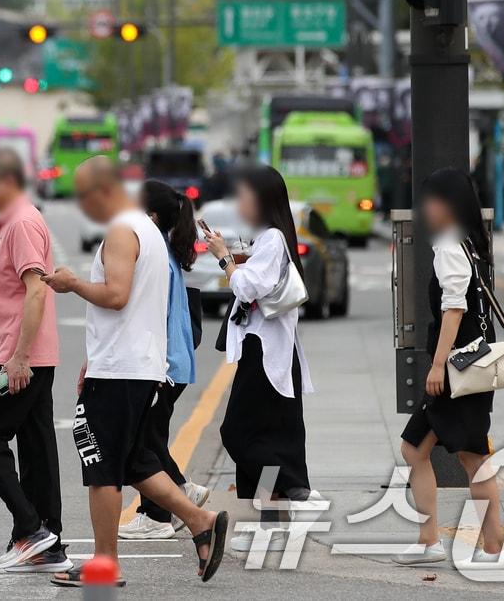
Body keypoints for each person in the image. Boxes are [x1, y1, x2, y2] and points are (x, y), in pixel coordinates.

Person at [42, 157, 229, 588]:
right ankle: (199, 520)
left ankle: (105, 566)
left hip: (122, 371)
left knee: (101, 466)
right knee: (136, 463)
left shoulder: (123, 230)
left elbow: (116, 295)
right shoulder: (146, 230)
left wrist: (72, 284)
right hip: (134, 366)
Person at [392, 167, 504, 569]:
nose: (426, 209)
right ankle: (429, 542)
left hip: (459, 368)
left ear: (450, 205)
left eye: (432, 201)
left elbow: (454, 308)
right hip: (469, 365)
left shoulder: (449, 245)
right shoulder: (472, 243)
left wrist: (438, 364)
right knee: (415, 448)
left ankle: (493, 548)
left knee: (473, 457)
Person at [203, 165, 318, 552]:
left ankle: (294, 486)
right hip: (269, 352)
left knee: (237, 433)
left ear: (263, 200)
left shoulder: (272, 237)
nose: (240, 203)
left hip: (264, 352)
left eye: (245, 196)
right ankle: (266, 526)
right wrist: (236, 254)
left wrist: (224, 259)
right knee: (269, 433)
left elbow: (250, 286)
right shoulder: (272, 238)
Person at [0, 148, 67, 573]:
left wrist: (17, 358)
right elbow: (6, 301)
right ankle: (48, 541)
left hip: (23, 358)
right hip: (18, 353)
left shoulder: (22, 222)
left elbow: (36, 290)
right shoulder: (9, 222)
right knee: (37, 446)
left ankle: (32, 529)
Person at [119, 179, 211, 540]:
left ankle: (162, 511)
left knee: (142, 441)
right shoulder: (162, 250)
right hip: (170, 361)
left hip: (164, 363)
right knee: (148, 437)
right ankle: (171, 499)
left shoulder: (155, 253)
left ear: (151, 216)